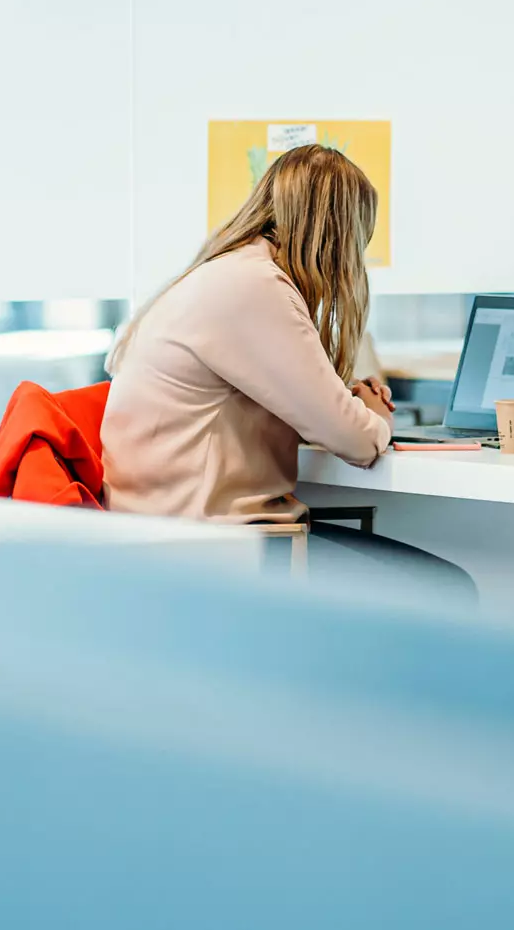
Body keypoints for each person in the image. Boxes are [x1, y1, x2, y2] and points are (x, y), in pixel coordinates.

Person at [102, 142, 472, 603]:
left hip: (165, 533)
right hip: (216, 549)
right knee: (448, 591)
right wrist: (373, 412)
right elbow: (357, 441)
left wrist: (343, 401)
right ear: (337, 235)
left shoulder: (224, 273)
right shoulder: (255, 286)